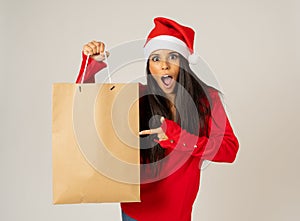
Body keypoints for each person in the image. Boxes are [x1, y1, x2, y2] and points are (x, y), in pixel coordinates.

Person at [75, 17, 239, 221]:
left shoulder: (207, 99)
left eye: (172, 56)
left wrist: (178, 137)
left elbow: (229, 150)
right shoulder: (137, 96)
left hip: (176, 214)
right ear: (149, 66)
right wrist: (90, 64)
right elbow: (85, 107)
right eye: (155, 59)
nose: (164, 65)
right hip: (135, 211)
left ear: (184, 63)